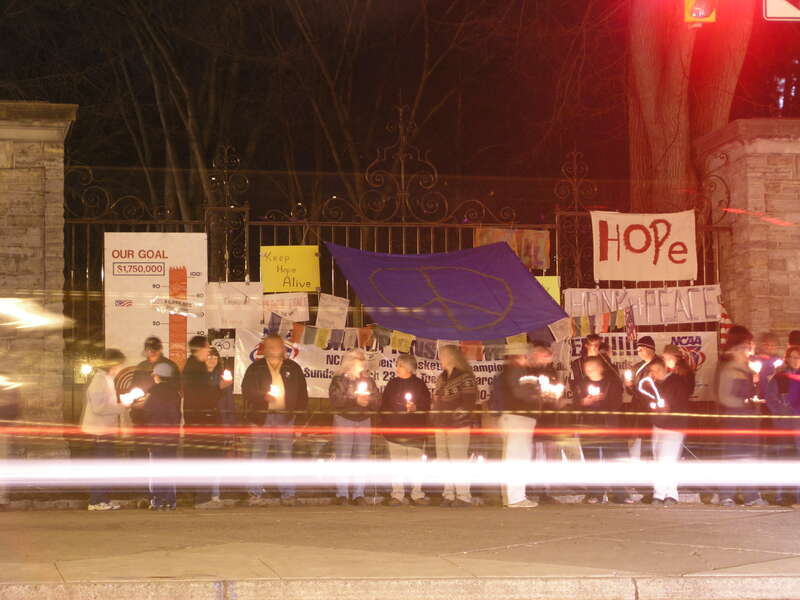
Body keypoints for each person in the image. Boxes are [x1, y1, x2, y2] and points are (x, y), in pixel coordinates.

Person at [242, 334, 308, 507]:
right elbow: (246, 390)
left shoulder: (293, 368)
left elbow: (302, 394)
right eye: (269, 346)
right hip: (260, 418)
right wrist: (262, 396)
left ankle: (288, 493)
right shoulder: (255, 368)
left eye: (276, 346)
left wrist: (299, 418)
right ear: (263, 348)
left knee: (285, 455)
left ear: (282, 348)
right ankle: (255, 493)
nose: (273, 349)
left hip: (285, 417)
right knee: (258, 455)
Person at [716, 328, 769, 507]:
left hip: (748, 419)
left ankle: (750, 494)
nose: (750, 350)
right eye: (747, 346)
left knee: (749, 457)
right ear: (737, 349)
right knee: (733, 456)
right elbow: (725, 397)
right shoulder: (730, 369)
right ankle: (726, 494)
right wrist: (746, 401)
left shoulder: (746, 368)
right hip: (735, 419)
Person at [80, 349, 130, 511]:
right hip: (100, 431)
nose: (119, 367)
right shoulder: (99, 380)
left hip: (105, 429)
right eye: (119, 364)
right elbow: (99, 407)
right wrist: (121, 407)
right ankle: (96, 501)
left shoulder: (106, 379)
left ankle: (102, 499)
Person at [490, 343, 539, 508]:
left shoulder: (504, 373)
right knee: (518, 458)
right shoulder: (517, 372)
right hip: (518, 418)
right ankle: (516, 497)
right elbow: (521, 393)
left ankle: (513, 496)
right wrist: (539, 393)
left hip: (510, 417)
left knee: (513, 456)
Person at [329, 350, 380, 505]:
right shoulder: (339, 379)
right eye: (360, 359)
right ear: (351, 361)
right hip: (344, 420)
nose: (363, 362)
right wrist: (354, 401)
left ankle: (359, 493)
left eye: (364, 359)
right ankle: (342, 493)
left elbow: (377, 400)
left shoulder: (369, 380)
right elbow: (336, 400)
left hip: (364, 420)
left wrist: (368, 402)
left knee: (362, 458)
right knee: (343, 457)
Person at [380, 354, 432, 506]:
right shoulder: (392, 384)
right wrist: (387, 424)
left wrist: (416, 408)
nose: (397, 368)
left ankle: (417, 494)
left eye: (400, 365)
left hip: (414, 432)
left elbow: (426, 405)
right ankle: (397, 494)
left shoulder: (420, 384)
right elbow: (384, 406)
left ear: (409, 368)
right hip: (395, 431)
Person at [432, 345, 478, 507]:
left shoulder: (465, 377)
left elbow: (469, 402)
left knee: (458, 459)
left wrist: (455, 415)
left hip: (457, 424)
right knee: (444, 459)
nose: (440, 359)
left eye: (442, 356)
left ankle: (464, 495)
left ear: (451, 357)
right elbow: (437, 400)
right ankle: (449, 493)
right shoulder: (442, 377)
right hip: (441, 424)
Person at [577, 356, 626, 504]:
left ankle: (619, 493)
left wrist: (603, 400)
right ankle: (595, 493)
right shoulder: (582, 383)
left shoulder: (611, 383)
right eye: (587, 368)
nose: (589, 371)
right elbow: (576, 402)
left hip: (608, 425)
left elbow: (617, 403)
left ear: (600, 368)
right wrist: (584, 402)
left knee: (612, 460)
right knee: (592, 460)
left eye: (592, 367)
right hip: (589, 425)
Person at [182, 335, 223, 509]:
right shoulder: (196, 369)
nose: (209, 351)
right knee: (205, 458)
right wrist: (219, 388)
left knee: (205, 458)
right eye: (207, 348)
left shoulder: (195, 367)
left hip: (199, 419)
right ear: (200, 349)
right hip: (202, 420)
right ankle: (202, 498)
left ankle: (202, 496)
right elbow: (205, 396)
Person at [646, 357, 690, 506]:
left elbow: (681, 402)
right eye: (652, 371)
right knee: (658, 458)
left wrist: (668, 408)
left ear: (665, 368)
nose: (654, 373)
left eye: (657, 370)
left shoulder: (676, 382)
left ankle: (671, 493)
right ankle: (658, 493)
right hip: (658, 424)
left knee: (669, 459)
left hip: (673, 426)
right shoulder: (655, 384)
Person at [140, 361, 182, 510]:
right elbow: (177, 416)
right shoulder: (176, 393)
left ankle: (157, 500)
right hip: (171, 437)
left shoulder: (152, 393)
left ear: (157, 376)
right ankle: (171, 500)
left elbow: (145, 415)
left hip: (155, 436)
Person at [766, 346, 800, 506]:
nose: (795, 361)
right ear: (787, 358)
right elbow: (771, 398)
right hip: (784, 424)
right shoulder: (779, 378)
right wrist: (781, 414)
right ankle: (781, 495)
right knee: (783, 459)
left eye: (797, 357)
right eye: (792, 357)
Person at [623, 336, 657, 465]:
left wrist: (635, 388)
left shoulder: (658, 365)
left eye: (641, 349)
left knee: (649, 438)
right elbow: (631, 391)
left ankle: (649, 462)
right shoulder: (637, 366)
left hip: (651, 408)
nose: (639, 352)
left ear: (650, 349)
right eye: (638, 350)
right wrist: (629, 385)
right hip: (637, 407)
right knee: (637, 437)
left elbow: (653, 390)